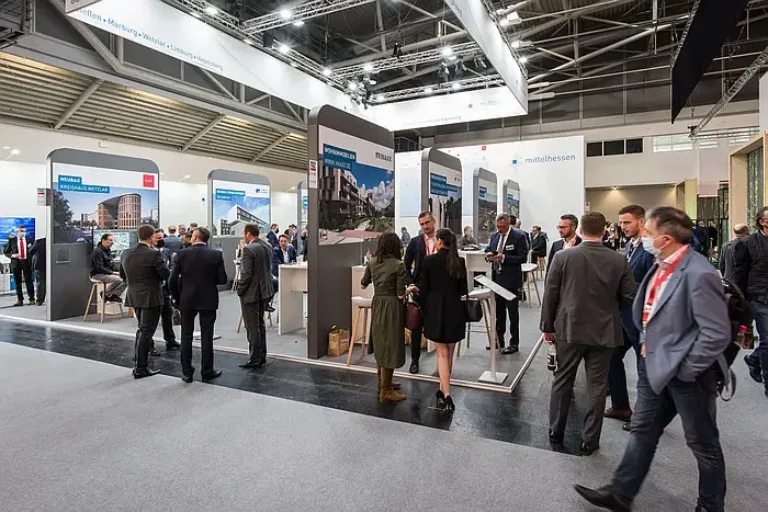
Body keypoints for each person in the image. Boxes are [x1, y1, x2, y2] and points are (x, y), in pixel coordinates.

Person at [575, 207, 730, 512]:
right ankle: (621, 493)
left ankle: (711, 506)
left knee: (703, 444)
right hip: (653, 368)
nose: (643, 235)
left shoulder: (699, 273)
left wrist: (686, 370)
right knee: (643, 431)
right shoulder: (662, 264)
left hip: (688, 377)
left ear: (666, 238)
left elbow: (716, 333)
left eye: (649, 231)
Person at [541, 212, 636, 456]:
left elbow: (550, 293)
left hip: (569, 329)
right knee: (597, 387)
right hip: (604, 332)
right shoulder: (619, 260)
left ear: (580, 230)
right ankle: (589, 440)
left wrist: (547, 328)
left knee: (562, 379)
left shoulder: (563, 256)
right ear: (604, 231)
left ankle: (556, 431)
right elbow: (630, 297)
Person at [606, 205, 655, 426]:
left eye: (627, 222)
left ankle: (646, 419)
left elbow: (650, 287)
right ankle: (621, 407)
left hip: (642, 320)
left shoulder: (649, 250)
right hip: (625, 317)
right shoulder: (630, 246)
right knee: (612, 357)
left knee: (644, 370)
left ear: (641, 222)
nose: (622, 226)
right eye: (621, 222)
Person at [415, 228, 467, 412]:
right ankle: (441, 388)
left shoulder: (430, 260)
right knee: (449, 353)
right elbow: (463, 290)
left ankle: (447, 395)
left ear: (438, 241)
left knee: (442, 354)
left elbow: (423, 289)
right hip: (455, 311)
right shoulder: (459, 261)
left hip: (436, 311)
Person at [169, 227, 227, 383]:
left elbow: (172, 280)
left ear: (194, 238)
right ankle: (207, 370)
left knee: (186, 335)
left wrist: (177, 298)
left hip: (187, 299)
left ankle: (187, 372)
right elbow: (222, 279)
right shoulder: (216, 254)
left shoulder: (182, 254)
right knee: (207, 336)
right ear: (206, 239)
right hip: (208, 299)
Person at [361, 232, 408, 403]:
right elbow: (401, 294)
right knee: (391, 344)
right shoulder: (398, 265)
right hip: (392, 307)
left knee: (381, 342)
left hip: (378, 303)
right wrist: (411, 290)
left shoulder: (372, 262)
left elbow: (363, 283)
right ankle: (386, 391)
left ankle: (382, 383)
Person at [120, 225, 170, 379]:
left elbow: (123, 275)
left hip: (134, 295)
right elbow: (165, 274)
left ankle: (138, 359)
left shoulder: (125, 253)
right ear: (152, 236)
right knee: (147, 331)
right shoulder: (154, 254)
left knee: (142, 329)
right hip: (151, 297)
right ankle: (141, 367)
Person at [734, 206, 768, 398]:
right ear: (762, 222)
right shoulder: (747, 244)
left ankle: (754, 360)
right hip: (759, 297)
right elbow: (740, 275)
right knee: (767, 339)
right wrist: (741, 301)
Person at [486, 213, 528, 354]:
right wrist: (488, 254)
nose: (499, 229)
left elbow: (522, 257)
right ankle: (499, 340)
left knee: (512, 312)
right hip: (496, 279)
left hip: (511, 280)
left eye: (502, 227)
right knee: (499, 311)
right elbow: (489, 250)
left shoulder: (518, 237)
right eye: (497, 226)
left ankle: (514, 342)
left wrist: (503, 257)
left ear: (509, 224)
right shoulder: (494, 236)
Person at [237, 223, 274, 369]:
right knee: (260, 324)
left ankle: (254, 358)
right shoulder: (267, 246)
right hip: (264, 291)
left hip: (251, 292)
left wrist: (240, 290)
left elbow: (246, 274)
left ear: (248, 233)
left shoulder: (248, 249)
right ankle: (261, 356)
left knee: (252, 327)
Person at [404, 211, 437, 374]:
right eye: (422, 224)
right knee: (416, 327)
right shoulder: (415, 242)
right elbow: (405, 266)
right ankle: (415, 360)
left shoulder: (443, 240)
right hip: (419, 290)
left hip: (439, 291)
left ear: (434, 221)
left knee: (439, 326)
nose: (425, 226)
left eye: (427, 223)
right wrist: (411, 283)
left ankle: (442, 363)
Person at [150, 229, 179, 355]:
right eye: (157, 238)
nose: (160, 240)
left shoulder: (166, 251)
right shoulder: (149, 253)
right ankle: (149, 345)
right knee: (150, 321)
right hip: (152, 290)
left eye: (162, 238)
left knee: (167, 315)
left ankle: (170, 340)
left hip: (164, 290)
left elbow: (169, 269)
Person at [89, 233, 126, 303]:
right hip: (97, 274)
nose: (112, 242)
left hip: (107, 273)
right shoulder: (97, 252)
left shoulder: (108, 250)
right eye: (110, 240)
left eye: (113, 240)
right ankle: (106, 294)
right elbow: (99, 268)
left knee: (126, 278)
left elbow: (111, 265)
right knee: (119, 280)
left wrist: (122, 271)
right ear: (103, 240)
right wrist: (114, 273)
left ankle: (114, 295)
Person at [3, 227, 35, 306]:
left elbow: (33, 250)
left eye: (23, 231)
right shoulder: (12, 240)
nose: (21, 232)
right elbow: (6, 251)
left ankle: (32, 299)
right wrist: (12, 255)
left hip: (26, 262)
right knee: (18, 282)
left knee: (29, 281)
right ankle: (20, 300)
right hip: (16, 263)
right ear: (17, 232)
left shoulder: (29, 240)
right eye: (20, 231)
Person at [28, 235, 46, 306]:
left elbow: (31, 251)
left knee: (40, 283)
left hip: (39, 265)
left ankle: (39, 300)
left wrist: (29, 247)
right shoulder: (52, 240)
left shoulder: (39, 241)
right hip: (50, 265)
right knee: (47, 282)